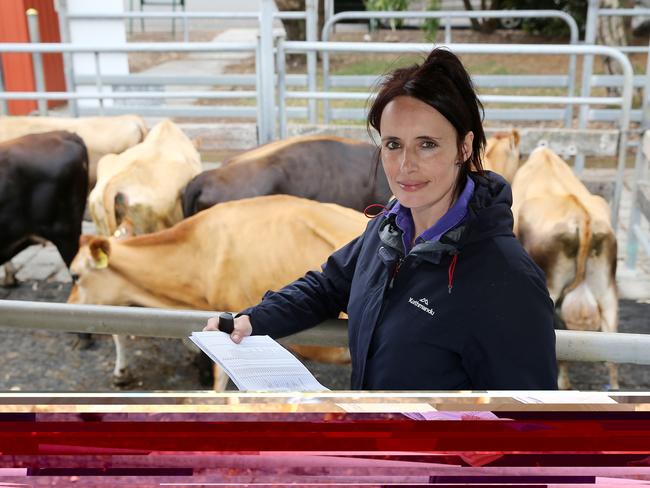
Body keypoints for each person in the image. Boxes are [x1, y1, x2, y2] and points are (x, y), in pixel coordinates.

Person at [204, 48, 558, 390]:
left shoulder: (507, 278)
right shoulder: (387, 232)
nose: (406, 165)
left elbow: (530, 425)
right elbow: (328, 285)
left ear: (464, 148)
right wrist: (253, 319)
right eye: (393, 144)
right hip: (381, 443)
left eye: (427, 144)